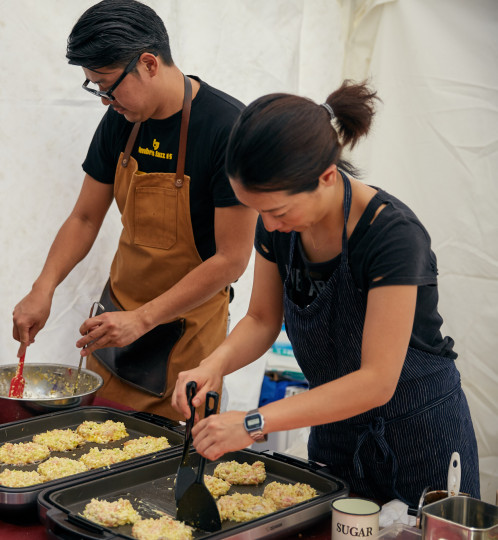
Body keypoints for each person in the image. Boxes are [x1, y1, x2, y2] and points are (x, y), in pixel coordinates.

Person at [171, 80, 480, 504]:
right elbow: (262, 319)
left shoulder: (393, 238)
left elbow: (376, 381)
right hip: (334, 429)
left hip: (417, 436)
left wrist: (250, 423)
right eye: (259, 211)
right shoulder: (276, 225)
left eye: (277, 211)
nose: (269, 224)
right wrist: (213, 365)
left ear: (327, 176)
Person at [12, 0, 256, 420]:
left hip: (187, 334)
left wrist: (143, 320)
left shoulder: (228, 129)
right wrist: (43, 287)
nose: (105, 101)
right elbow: (85, 217)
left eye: (107, 85)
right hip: (116, 327)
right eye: (94, 88)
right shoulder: (122, 121)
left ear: (148, 63)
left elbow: (231, 259)